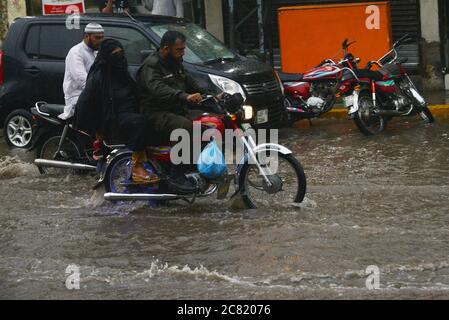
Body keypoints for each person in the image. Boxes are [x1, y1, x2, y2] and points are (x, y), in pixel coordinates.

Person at [136, 30, 221, 193]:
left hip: (175, 110)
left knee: (208, 127)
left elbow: (193, 85)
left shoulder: (176, 64)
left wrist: (215, 95)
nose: (182, 53)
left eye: (183, 49)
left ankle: (197, 168)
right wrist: (184, 96)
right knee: (185, 127)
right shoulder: (151, 65)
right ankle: (177, 174)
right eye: (179, 50)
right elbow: (158, 89)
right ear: (166, 48)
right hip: (155, 113)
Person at [74, 39, 159, 184]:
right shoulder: (98, 78)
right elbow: (85, 106)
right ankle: (137, 166)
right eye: (115, 54)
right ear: (107, 57)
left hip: (129, 114)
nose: (120, 57)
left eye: (121, 53)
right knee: (141, 122)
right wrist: (97, 131)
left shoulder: (124, 74)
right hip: (112, 120)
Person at [60, 23, 104, 121]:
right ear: (86, 36)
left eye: (102, 38)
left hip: (92, 95)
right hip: (77, 98)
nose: (100, 41)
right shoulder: (76, 53)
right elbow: (83, 81)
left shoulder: (96, 51)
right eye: (97, 38)